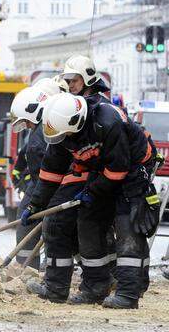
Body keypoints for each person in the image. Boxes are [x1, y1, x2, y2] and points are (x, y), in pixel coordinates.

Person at [22, 92, 159, 308]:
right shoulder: (64, 133)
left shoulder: (108, 122)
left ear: (75, 124)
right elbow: (51, 172)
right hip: (102, 171)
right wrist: (35, 204)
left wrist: (92, 193)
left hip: (132, 170)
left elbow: (118, 169)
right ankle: (96, 287)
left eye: (64, 135)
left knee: (128, 228)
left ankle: (128, 294)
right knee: (87, 223)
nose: (62, 140)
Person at [9, 87, 50, 270]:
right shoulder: (43, 130)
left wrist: (35, 203)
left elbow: (45, 177)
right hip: (44, 188)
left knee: (30, 228)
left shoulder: (37, 140)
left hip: (45, 189)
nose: (25, 126)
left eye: (26, 121)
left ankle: (28, 270)